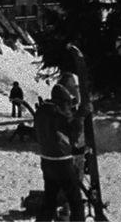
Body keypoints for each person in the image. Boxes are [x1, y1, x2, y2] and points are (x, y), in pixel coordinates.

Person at [33, 84, 85, 221]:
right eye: (68, 104)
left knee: (50, 199)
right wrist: (80, 116)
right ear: (63, 101)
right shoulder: (57, 113)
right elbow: (73, 134)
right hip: (62, 161)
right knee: (75, 201)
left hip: (46, 160)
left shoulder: (41, 111)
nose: (69, 108)